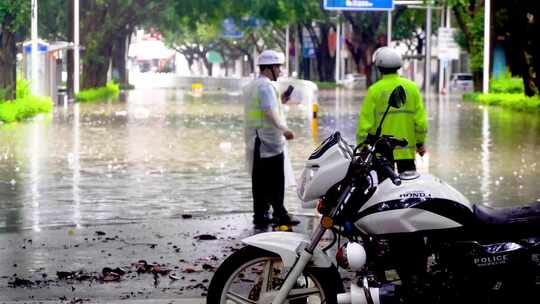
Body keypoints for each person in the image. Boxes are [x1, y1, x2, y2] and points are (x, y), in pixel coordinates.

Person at [243, 50, 300, 228]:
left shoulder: (252, 85)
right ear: (270, 68)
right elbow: (268, 112)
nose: (280, 71)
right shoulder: (266, 86)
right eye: (278, 67)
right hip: (268, 141)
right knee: (275, 179)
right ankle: (280, 214)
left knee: (259, 180)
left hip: (255, 140)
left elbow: (265, 109)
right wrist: (285, 129)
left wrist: (281, 101)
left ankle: (260, 214)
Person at [356, 47, 428, 173]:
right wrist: (420, 144)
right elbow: (420, 123)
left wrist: (362, 147)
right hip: (406, 152)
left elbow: (365, 125)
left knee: (384, 189)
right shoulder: (412, 88)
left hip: (382, 153)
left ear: (379, 67)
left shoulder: (374, 90)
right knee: (408, 189)